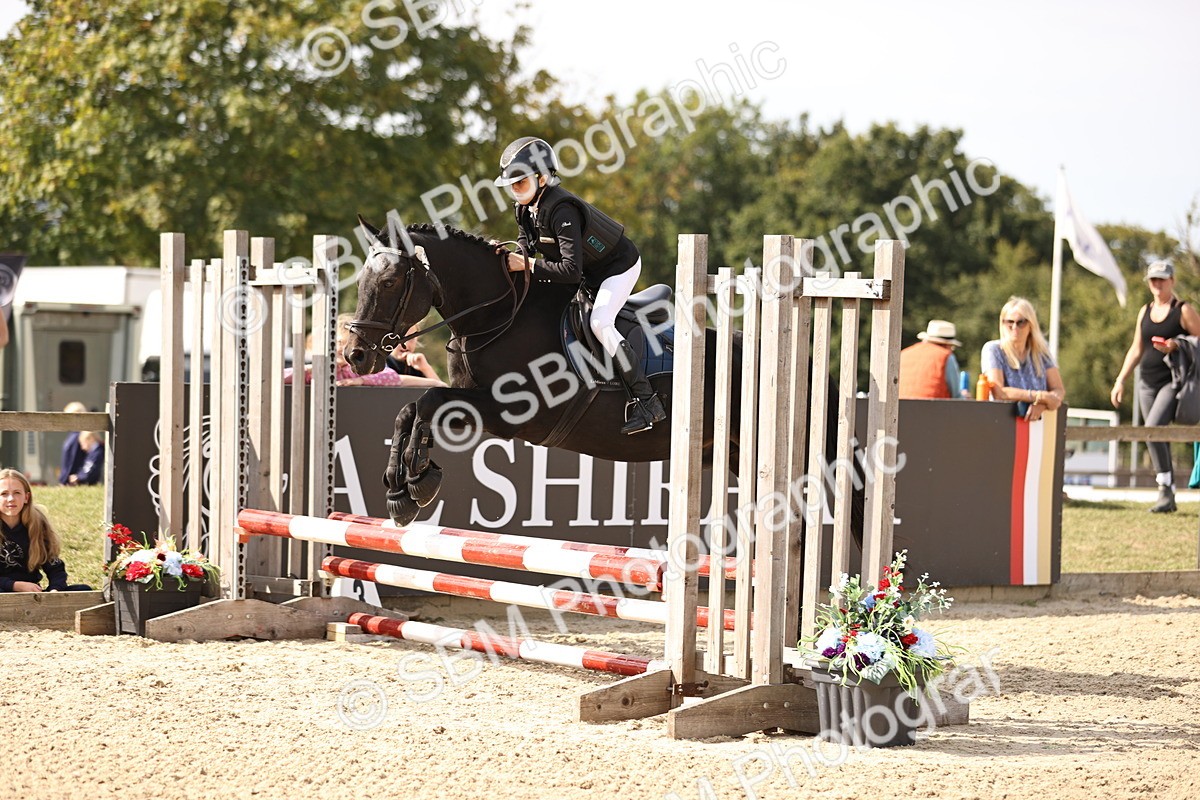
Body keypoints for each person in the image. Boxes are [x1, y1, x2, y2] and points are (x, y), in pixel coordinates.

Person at [493, 136, 666, 435]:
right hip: (590, 271)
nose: (515, 189)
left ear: (542, 178)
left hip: (617, 267)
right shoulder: (524, 208)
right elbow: (526, 246)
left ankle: (646, 401)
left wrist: (528, 264)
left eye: (520, 182)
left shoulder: (562, 210)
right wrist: (505, 253)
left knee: (600, 322)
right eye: (511, 184)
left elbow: (570, 271)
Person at [1111, 260, 1200, 513]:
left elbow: (1199, 342)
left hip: (1173, 380)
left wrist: (1177, 344)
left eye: (1162, 279)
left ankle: (1165, 489)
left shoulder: (1183, 310)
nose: (1158, 284)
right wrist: (1121, 379)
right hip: (1147, 382)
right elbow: (1137, 348)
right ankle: (1167, 490)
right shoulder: (1145, 311)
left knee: (1152, 428)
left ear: (1172, 281)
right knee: (1154, 434)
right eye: (1153, 280)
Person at [287, 314, 446, 388]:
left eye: (411, 338)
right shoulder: (375, 362)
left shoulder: (358, 371)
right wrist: (305, 371)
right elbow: (279, 379)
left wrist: (426, 369)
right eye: (400, 338)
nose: (405, 344)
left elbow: (393, 378)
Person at [0, 468, 92, 592]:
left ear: (26, 497)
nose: (11, 498)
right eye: (4, 494)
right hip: (3, 591)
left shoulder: (37, 523)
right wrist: (15, 585)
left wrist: (55, 589)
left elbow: (54, 567)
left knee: (83, 590)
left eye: (17, 493)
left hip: (31, 594)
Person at [980, 297, 1066, 423]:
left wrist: (1042, 405)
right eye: (1009, 322)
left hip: (1037, 429)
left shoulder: (1041, 352)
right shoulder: (993, 350)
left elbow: (1059, 390)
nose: (1014, 327)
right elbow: (999, 391)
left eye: (1021, 322)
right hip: (1002, 424)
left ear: (1031, 325)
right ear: (1002, 324)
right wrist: (1039, 396)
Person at [899, 319, 971, 399]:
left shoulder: (903, 353)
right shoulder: (946, 357)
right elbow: (956, 396)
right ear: (947, 345)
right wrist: (964, 396)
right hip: (932, 409)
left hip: (899, 408)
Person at [58, 400, 88, 484]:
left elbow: (72, 461)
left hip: (71, 480)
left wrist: (65, 480)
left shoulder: (77, 436)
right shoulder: (75, 434)